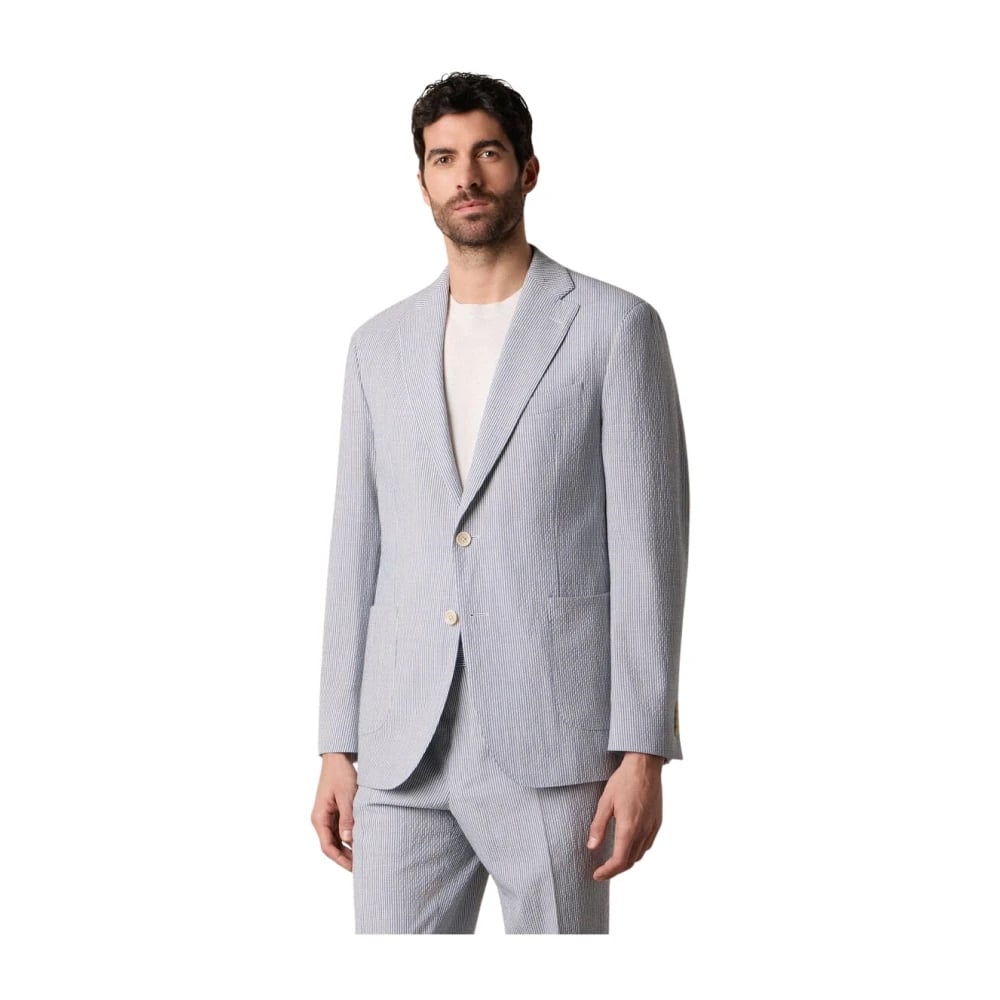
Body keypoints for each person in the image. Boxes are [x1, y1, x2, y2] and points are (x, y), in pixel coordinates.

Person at [311, 71, 690, 934]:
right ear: (422, 182)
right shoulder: (377, 346)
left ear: (528, 169)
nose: (466, 177)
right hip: (402, 753)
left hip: (555, 746)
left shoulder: (614, 326)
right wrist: (336, 741)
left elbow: (650, 551)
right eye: (443, 159)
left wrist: (643, 749)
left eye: (487, 153)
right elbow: (354, 554)